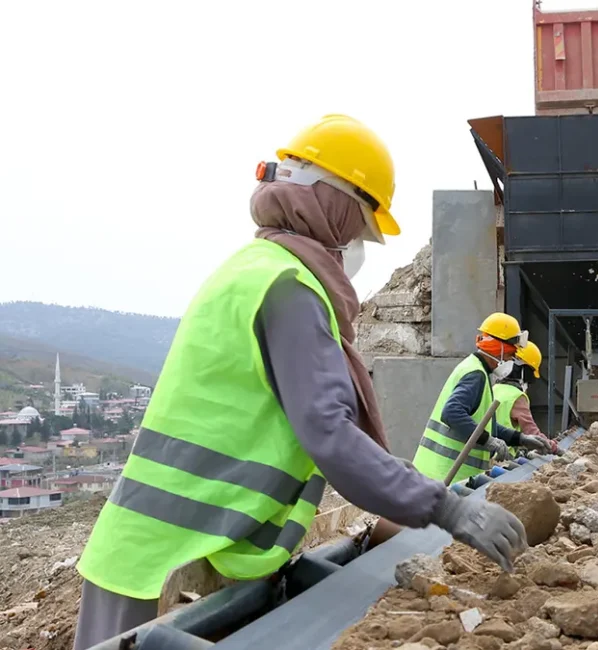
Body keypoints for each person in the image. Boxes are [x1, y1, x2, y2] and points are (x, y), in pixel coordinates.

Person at [72, 115, 528, 650]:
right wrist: (448, 508)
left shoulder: (253, 267)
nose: (356, 242)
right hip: (167, 561)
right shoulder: (288, 287)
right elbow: (329, 434)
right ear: (331, 199)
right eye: (360, 223)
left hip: (177, 549)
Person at [412, 312, 553, 486]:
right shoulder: (476, 375)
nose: (511, 360)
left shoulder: (479, 372)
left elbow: (487, 425)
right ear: (499, 349)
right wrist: (488, 441)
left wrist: (520, 439)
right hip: (445, 476)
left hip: (443, 474)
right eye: (510, 354)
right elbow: (451, 413)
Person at [492, 342, 560, 457]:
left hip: (488, 453)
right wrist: (553, 447)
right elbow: (530, 430)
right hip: (503, 456)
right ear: (523, 372)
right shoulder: (517, 396)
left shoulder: (493, 389)